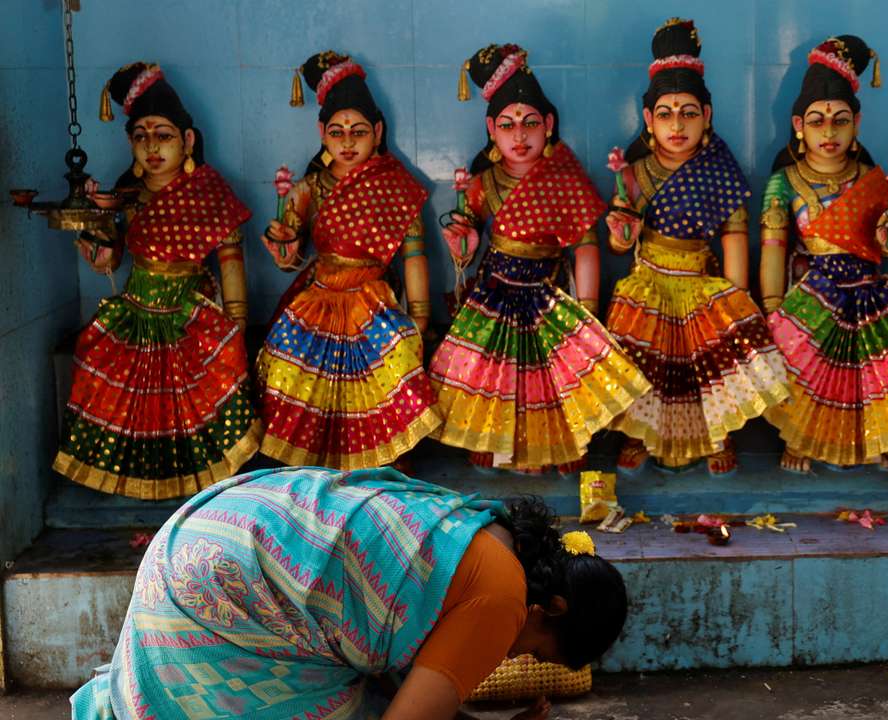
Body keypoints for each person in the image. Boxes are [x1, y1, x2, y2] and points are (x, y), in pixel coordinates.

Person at [70, 466, 627, 720]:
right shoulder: (504, 598)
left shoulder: (477, 529)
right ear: (551, 608)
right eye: (533, 648)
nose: (511, 657)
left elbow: (400, 680)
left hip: (196, 538)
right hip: (223, 590)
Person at [430, 43, 651, 474]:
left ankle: (556, 447)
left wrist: (587, 310)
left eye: (530, 123)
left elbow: (585, 246)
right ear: (492, 129)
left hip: (547, 294)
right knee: (493, 376)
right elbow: (464, 246)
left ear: (548, 124)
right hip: (494, 292)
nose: (520, 135)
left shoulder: (566, 180)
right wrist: (462, 244)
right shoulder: (483, 183)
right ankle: (494, 445)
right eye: (508, 125)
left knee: (548, 380)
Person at [54, 61, 261, 499]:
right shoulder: (127, 195)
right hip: (137, 309)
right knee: (97, 358)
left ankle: (205, 481)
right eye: (141, 136)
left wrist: (238, 324)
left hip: (190, 313)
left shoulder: (211, 195)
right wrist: (89, 230)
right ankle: (134, 482)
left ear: (187, 140)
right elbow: (108, 261)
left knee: (210, 379)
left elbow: (230, 265)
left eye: (163, 135)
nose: (152, 147)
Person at [605, 18, 789, 476]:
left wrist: (736, 297)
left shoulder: (721, 170)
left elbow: (732, 240)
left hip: (699, 277)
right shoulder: (634, 172)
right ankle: (639, 436)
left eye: (688, 112)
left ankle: (715, 434)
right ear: (648, 119)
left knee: (711, 361)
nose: (677, 124)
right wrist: (622, 229)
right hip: (648, 278)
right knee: (644, 362)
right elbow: (617, 243)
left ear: (707, 115)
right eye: (665, 114)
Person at [759, 35, 888, 474]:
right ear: (798, 125)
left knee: (879, 371)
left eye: (840, 121)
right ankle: (802, 439)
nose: (829, 132)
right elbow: (772, 250)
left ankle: (882, 435)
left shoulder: (872, 179)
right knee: (804, 366)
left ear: (856, 124)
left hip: (868, 293)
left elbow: (885, 249)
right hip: (812, 291)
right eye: (818, 120)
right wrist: (770, 309)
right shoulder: (784, 182)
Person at [257, 51, 439, 470]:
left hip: (373, 295)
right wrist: (282, 245)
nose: (347, 141)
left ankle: (384, 456)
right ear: (322, 133)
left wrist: (421, 318)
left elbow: (414, 255)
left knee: (393, 354)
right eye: (336, 131)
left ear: (377, 132)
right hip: (318, 296)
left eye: (358, 131)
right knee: (288, 362)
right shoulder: (307, 188)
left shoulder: (397, 186)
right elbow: (290, 258)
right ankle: (308, 457)